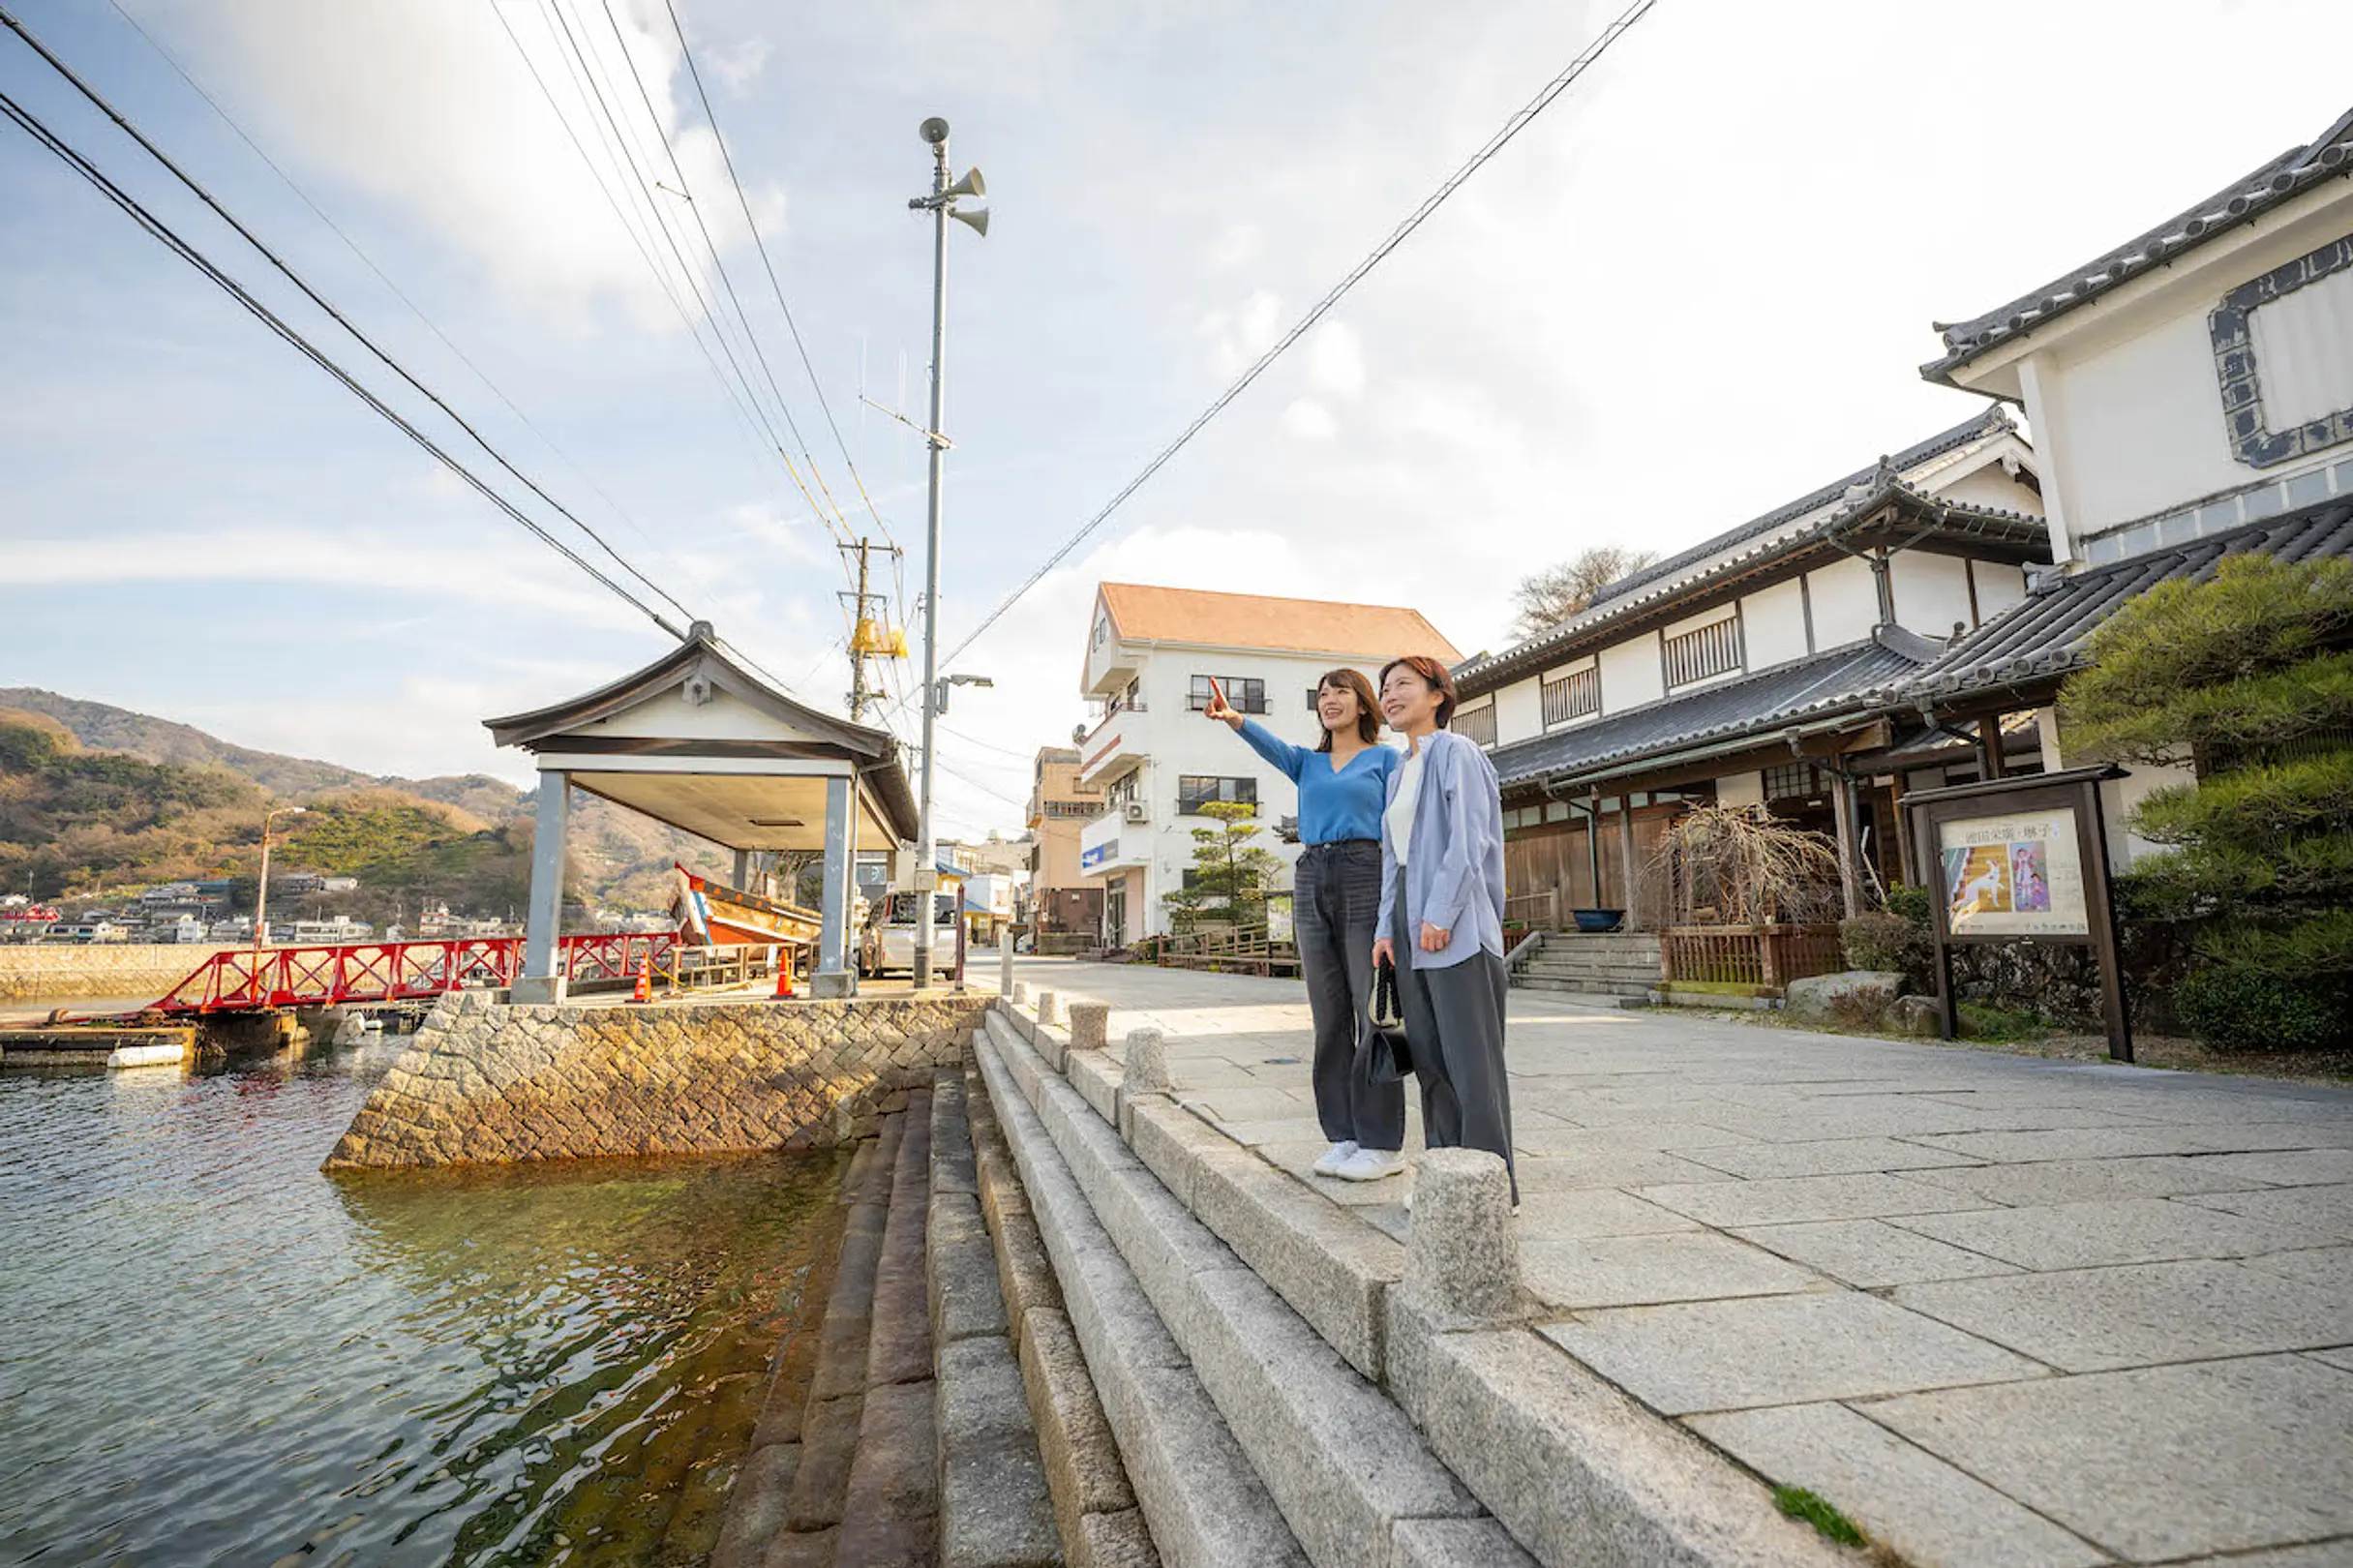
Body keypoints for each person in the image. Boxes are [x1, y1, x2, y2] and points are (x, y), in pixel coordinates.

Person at [1205, 670, 1406, 1181]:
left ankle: (1382, 1143)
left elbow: (1401, 828)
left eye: (1340, 692)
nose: (1330, 700)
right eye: (1322, 695)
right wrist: (1234, 719)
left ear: (1363, 704)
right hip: (1312, 872)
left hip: (1367, 869)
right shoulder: (1307, 763)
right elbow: (1270, 746)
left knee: (1371, 1010)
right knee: (1328, 1014)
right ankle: (1342, 1135)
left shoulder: (1387, 759)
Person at [1371, 653, 1516, 1202]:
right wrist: (1386, 928)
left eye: (1404, 684)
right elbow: (1393, 858)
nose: (1390, 694)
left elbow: (1469, 840)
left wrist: (1440, 913)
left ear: (1438, 695)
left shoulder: (1458, 752)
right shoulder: (1400, 770)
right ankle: (1444, 1178)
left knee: (1470, 1061)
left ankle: (1488, 1189)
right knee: (1430, 1057)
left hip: (1454, 923)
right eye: (1385, 687)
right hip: (1409, 924)